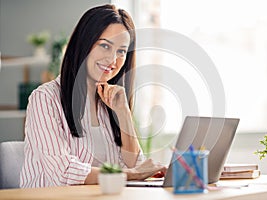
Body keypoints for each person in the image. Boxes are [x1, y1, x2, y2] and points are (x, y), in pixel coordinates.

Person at [20, 4, 166, 188]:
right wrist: (132, 173)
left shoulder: (110, 102)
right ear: (84, 43)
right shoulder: (45, 99)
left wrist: (124, 113)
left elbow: (135, 166)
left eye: (121, 51)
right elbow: (62, 173)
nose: (113, 60)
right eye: (105, 46)